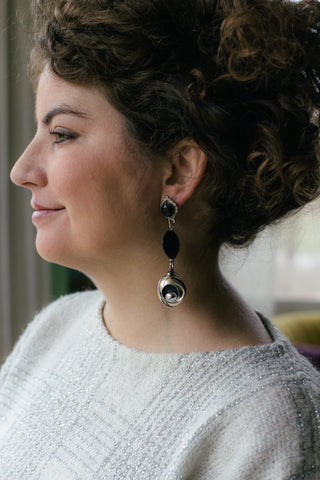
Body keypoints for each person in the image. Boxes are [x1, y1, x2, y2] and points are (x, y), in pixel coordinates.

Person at [1, 0, 320, 478]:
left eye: (62, 134)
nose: (21, 171)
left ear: (178, 170)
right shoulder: (54, 330)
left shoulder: (263, 423)